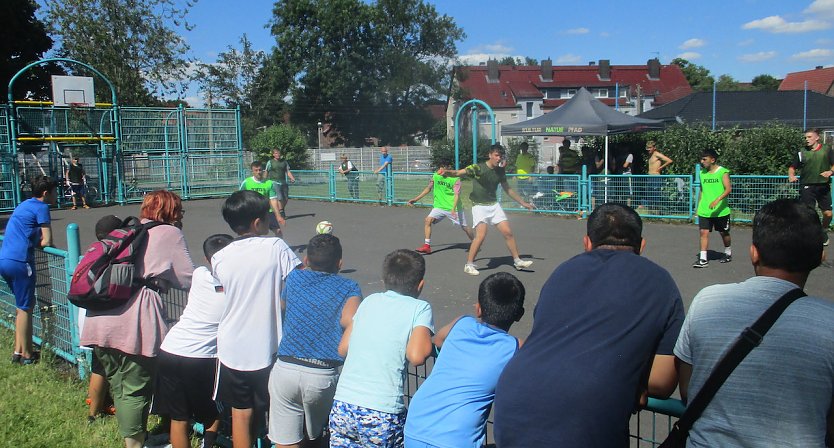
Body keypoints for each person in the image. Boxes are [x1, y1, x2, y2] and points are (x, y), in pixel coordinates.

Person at [493, 203, 685, 447]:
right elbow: (661, 381)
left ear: (587, 243)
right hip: (587, 416)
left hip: (514, 402)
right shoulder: (660, 282)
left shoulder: (563, 271)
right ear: (642, 246)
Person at [674, 199, 834, 446]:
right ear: (819, 257)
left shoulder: (708, 300)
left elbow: (687, 389)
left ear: (753, 253)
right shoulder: (829, 322)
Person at [80, 190, 195, 448]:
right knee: (135, 387)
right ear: (171, 212)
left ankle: (134, 435)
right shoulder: (169, 233)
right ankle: (134, 443)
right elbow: (187, 277)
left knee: (119, 384)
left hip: (99, 317)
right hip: (134, 321)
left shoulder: (126, 230)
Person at [213, 190, 301, 448]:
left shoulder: (219, 257)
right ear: (257, 222)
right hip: (268, 344)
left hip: (231, 345)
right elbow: (299, 280)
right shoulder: (276, 247)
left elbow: (228, 292)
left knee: (241, 412)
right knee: (278, 409)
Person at [404, 272, 525, 448]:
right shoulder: (515, 347)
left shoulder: (461, 323)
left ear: (478, 309)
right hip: (457, 438)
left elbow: (437, 341)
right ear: (519, 315)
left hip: (417, 424)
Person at [328, 249, 434, 447]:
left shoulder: (370, 301)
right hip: (381, 410)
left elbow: (343, 348)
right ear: (420, 285)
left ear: (384, 281)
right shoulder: (419, 308)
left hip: (343, 404)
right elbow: (416, 356)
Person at [268, 234, 361, 448]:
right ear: (340, 263)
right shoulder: (349, 287)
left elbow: (282, 307)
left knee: (285, 440)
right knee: (316, 438)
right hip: (322, 373)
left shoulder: (294, 279)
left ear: (307, 261)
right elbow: (350, 319)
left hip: (285, 367)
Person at [152, 234, 233, 448]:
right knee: (213, 413)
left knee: (179, 418)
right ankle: (208, 444)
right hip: (201, 358)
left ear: (208, 259)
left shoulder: (199, 274)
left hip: (170, 349)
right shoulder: (238, 286)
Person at [437, 144, 534, 275]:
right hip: (479, 206)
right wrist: (446, 172)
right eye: (496, 155)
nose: (499, 158)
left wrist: (523, 203)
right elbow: (458, 173)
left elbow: (508, 189)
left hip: (494, 205)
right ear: (490, 155)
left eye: (501, 156)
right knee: (481, 236)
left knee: (508, 232)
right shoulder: (477, 168)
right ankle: (469, 264)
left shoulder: (500, 170)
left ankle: (517, 261)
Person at [0, 175, 57, 365]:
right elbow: (47, 241)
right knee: (26, 308)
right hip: (20, 261)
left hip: (5, 258)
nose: (56, 195)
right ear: (46, 193)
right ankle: (27, 355)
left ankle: (19, 350)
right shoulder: (42, 208)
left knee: (21, 306)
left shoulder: (24, 205)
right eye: (55, 191)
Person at [81, 214, 123, 422]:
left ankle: (95, 408)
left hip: (90, 316)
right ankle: (98, 412)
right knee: (106, 367)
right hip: (109, 318)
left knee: (98, 365)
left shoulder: (92, 252)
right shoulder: (116, 254)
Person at [406, 160, 474, 255]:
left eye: (443, 169)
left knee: (465, 227)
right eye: (440, 168)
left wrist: (453, 209)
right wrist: (415, 199)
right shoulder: (435, 176)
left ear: (448, 169)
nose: (440, 170)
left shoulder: (456, 180)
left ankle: (475, 242)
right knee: (428, 220)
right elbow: (428, 188)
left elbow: (456, 195)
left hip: (453, 208)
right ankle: (427, 246)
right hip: (439, 207)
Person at [788, 128, 834, 246]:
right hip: (807, 185)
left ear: (817, 137)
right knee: (809, 213)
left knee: (828, 214)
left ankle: (823, 230)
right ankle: (811, 236)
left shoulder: (826, 150)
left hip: (823, 186)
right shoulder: (802, 152)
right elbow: (792, 167)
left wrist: (830, 172)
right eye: (805, 137)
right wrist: (791, 175)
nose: (807, 140)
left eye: (809, 137)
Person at [693, 149, 732, 268]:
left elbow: (728, 189)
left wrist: (717, 200)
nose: (702, 161)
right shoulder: (702, 173)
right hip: (705, 209)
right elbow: (702, 190)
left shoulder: (722, 172)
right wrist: (698, 207)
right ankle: (703, 259)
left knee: (724, 233)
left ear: (712, 159)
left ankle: (728, 252)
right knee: (703, 232)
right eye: (701, 159)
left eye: (705, 159)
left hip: (720, 210)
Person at [241, 160, 285, 236]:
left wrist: (278, 216)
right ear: (252, 171)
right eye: (256, 170)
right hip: (252, 211)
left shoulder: (269, 183)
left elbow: (273, 200)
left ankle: (281, 247)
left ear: (263, 170)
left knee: (278, 231)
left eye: (260, 170)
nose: (258, 172)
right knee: (252, 233)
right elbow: (240, 196)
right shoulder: (246, 182)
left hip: (266, 211)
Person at [265, 148, 296, 218]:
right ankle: (281, 212)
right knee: (280, 198)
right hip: (274, 182)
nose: (277, 154)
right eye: (275, 153)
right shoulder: (270, 162)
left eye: (278, 153)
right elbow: (266, 171)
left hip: (283, 182)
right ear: (273, 154)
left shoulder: (284, 162)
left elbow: (287, 171)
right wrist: (264, 180)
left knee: (286, 198)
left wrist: (292, 177)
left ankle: (280, 209)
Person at [642, 140, 673, 210]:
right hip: (650, 176)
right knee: (649, 193)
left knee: (655, 193)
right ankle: (650, 210)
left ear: (654, 148)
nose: (648, 149)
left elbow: (669, 160)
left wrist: (660, 168)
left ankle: (657, 210)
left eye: (650, 148)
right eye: (647, 148)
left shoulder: (657, 154)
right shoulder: (650, 155)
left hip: (655, 176)